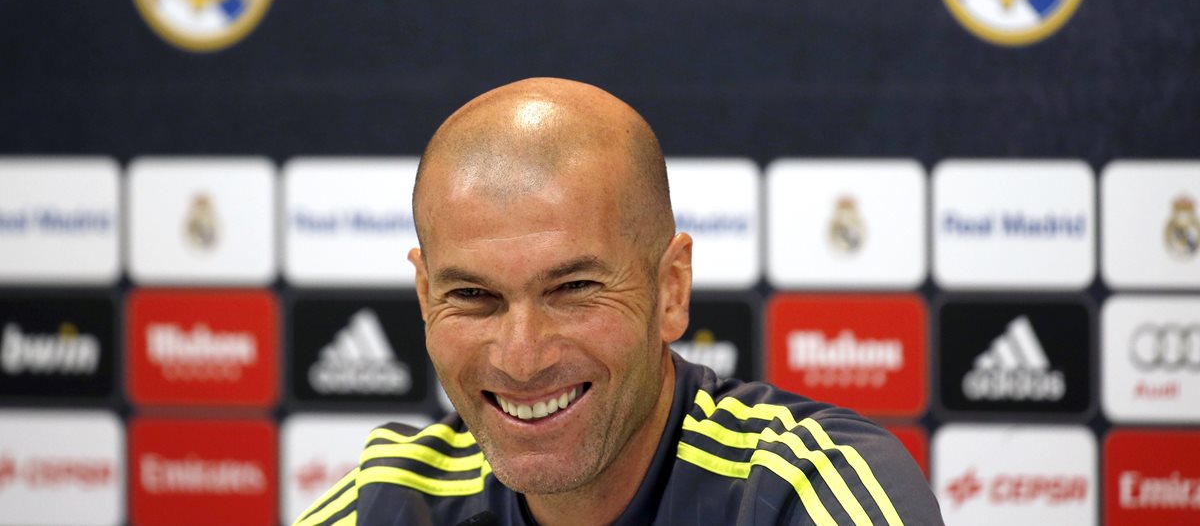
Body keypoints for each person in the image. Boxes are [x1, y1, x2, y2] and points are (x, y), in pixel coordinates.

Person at [294, 78, 944, 526]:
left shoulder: (806, 491)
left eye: (573, 289)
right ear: (425, 296)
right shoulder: (390, 501)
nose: (521, 357)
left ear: (671, 290)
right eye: (473, 295)